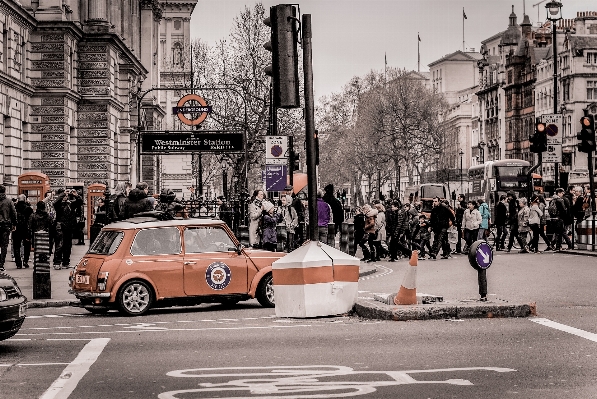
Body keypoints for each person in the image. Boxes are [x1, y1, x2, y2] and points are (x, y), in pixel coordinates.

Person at [53, 188, 83, 269]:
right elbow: (55, 203)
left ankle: (66, 262)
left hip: (69, 227)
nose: (66, 196)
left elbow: (80, 202)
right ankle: (57, 262)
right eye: (64, 195)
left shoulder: (71, 204)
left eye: (67, 195)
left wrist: (76, 195)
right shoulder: (59, 205)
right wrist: (62, 194)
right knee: (60, 245)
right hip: (61, 227)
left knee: (68, 246)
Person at [13, 194, 33, 269]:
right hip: (26, 229)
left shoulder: (15, 207)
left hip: (16, 229)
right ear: (25, 199)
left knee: (16, 246)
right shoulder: (29, 209)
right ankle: (25, 261)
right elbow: (31, 220)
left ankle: (18, 263)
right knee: (27, 246)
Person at [0, 185, 17, 272]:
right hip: (5, 225)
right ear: (5, 191)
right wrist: (14, 224)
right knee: (4, 245)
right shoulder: (9, 201)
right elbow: (13, 214)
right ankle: (1, 265)